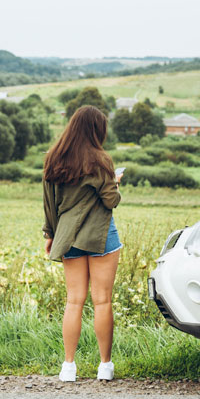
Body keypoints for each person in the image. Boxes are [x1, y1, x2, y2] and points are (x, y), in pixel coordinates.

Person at [42, 105, 122, 382]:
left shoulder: (54, 158)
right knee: (102, 301)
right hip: (101, 237)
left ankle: (68, 367)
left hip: (68, 237)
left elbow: (49, 204)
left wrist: (50, 235)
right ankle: (105, 366)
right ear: (96, 130)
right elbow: (111, 200)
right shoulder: (101, 161)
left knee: (74, 301)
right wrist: (115, 182)